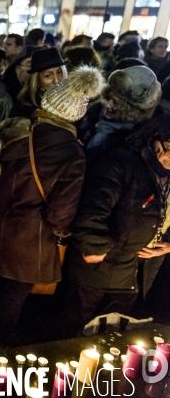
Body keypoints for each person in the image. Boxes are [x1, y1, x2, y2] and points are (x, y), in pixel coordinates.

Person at [0, 66, 104, 350]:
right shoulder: (71, 151)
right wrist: (63, 233)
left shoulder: (16, 132)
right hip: (30, 243)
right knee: (11, 299)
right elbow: (61, 213)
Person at [64, 113, 170, 336]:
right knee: (76, 336)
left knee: (113, 338)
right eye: (168, 146)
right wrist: (95, 248)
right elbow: (91, 210)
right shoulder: (122, 162)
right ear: (154, 137)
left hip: (133, 276)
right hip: (97, 271)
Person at [84, 66, 161, 165]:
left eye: (115, 102)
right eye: (108, 98)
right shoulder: (91, 114)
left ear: (131, 109)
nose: (107, 104)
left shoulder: (136, 142)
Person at [15, 47, 67, 118]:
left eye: (59, 73)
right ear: (37, 81)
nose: (56, 81)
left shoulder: (75, 100)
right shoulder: (26, 109)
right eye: (48, 76)